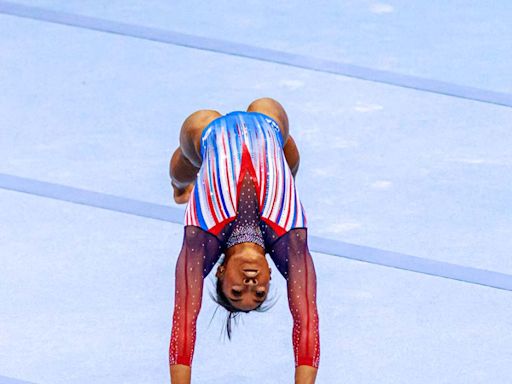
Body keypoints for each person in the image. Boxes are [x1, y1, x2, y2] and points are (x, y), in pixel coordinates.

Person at [168, 98, 320, 384]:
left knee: (188, 155)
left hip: (207, 133)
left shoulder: (202, 239)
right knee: (272, 117)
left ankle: (180, 187)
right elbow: (307, 318)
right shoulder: (291, 242)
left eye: (236, 292)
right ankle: (280, 162)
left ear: (221, 272)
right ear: (271, 275)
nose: (251, 285)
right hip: (268, 124)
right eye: (260, 293)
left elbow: (184, 319)